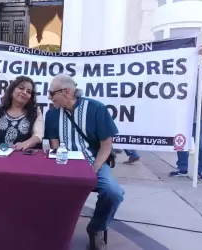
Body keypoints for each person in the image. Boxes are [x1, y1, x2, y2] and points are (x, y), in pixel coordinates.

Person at [44, 74, 124, 250]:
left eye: (51, 93)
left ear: (66, 91)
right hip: (64, 164)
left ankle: (96, 227)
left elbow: (106, 145)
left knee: (113, 193)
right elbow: (55, 146)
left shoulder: (96, 108)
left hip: (93, 163)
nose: (49, 97)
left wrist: (93, 169)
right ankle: (52, 230)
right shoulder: (51, 114)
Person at [169, 46, 202, 182]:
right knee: (181, 142)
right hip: (183, 116)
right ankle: (182, 168)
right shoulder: (178, 75)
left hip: (201, 116)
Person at [0, 76, 44, 150]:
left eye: (29, 92)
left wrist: (26, 143)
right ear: (12, 90)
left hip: (21, 155)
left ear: (30, 98)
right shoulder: (0, 109)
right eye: (21, 88)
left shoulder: (35, 111)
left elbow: (38, 135)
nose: (24, 92)